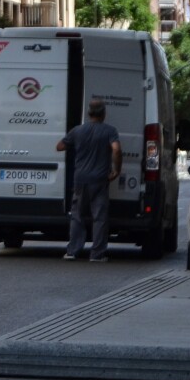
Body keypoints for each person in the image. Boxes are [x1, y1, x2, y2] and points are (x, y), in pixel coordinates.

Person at [56, 98, 122, 262]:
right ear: (103, 114)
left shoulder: (77, 131)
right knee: (99, 217)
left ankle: (72, 251)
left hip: (80, 179)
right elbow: (116, 149)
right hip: (99, 180)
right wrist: (116, 170)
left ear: (89, 113)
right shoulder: (109, 131)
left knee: (77, 215)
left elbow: (60, 146)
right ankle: (97, 254)